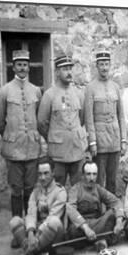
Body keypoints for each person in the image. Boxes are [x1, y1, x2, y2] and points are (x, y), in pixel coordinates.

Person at [0, 49, 42, 219]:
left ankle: (30, 224)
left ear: (29, 67)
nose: (22, 68)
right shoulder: (4, 91)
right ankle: (17, 227)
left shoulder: (36, 91)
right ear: (13, 67)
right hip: (14, 149)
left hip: (32, 148)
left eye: (25, 65)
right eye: (19, 65)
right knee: (16, 189)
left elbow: (39, 117)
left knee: (30, 188)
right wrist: (10, 135)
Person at [5, 159, 67, 255]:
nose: (42, 177)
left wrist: (35, 234)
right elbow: (31, 213)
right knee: (14, 221)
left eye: (46, 173)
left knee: (53, 221)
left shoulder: (60, 192)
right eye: (39, 174)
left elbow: (52, 217)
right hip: (37, 233)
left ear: (53, 173)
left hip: (53, 235)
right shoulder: (36, 191)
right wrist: (30, 232)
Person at [38, 54, 87, 186]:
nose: (69, 72)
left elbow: (81, 119)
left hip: (77, 149)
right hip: (58, 151)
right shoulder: (49, 95)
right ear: (57, 72)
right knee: (57, 186)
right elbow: (42, 123)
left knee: (77, 187)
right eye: (65, 69)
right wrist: (55, 135)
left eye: (70, 68)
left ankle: (74, 207)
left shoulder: (79, 94)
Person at [84, 49, 128, 194]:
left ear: (110, 66)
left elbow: (121, 115)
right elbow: (89, 118)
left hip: (114, 140)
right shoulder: (90, 88)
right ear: (96, 66)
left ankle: (112, 211)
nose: (104, 67)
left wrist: (123, 140)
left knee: (112, 179)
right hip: (100, 141)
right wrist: (92, 142)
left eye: (106, 64)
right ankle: (99, 210)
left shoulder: (115, 87)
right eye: (101, 64)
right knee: (99, 179)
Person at [65, 161, 125, 252]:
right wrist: (86, 228)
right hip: (82, 227)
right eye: (88, 174)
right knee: (73, 230)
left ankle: (97, 240)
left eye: (94, 174)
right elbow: (71, 210)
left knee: (114, 214)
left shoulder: (98, 188)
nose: (92, 178)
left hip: (98, 223)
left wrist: (119, 221)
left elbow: (116, 202)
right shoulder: (75, 189)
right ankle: (102, 239)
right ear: (82, 175)